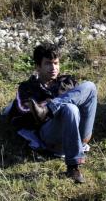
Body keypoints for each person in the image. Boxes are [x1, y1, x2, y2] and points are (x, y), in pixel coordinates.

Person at [8, 43, 97, 183]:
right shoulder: (27, 87)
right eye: (48, 63)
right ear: (38, 66)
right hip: (51, 136)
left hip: (79, 134)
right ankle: (73, 166)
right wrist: (55, 105)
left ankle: (48, 111)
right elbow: (23, 110)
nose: (53, 68)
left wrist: (51, 106)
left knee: (90, 86)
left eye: (56, 63)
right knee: (69, 108)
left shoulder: (68, 82)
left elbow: (84, 102)